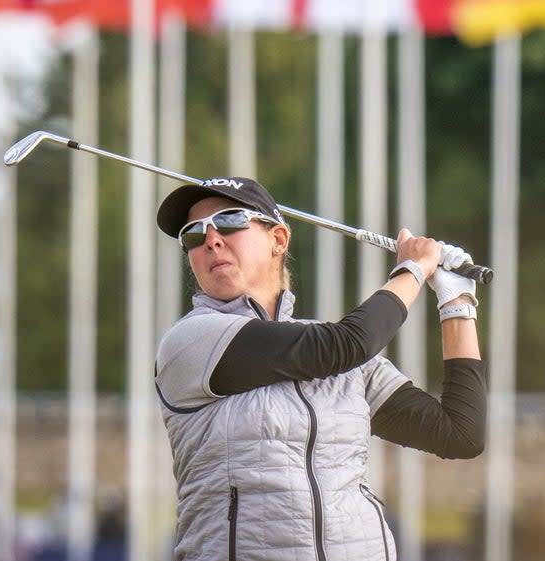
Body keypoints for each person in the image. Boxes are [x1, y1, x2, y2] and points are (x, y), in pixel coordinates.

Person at [153, 176, 487, 561]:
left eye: (229, 222)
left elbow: (459, 434)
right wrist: (412, 269)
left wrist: (456, 301)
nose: (211, 240)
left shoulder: (340, 358)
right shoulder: (193, 340)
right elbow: (348, 343)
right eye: (194, 235)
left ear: (279, 240)